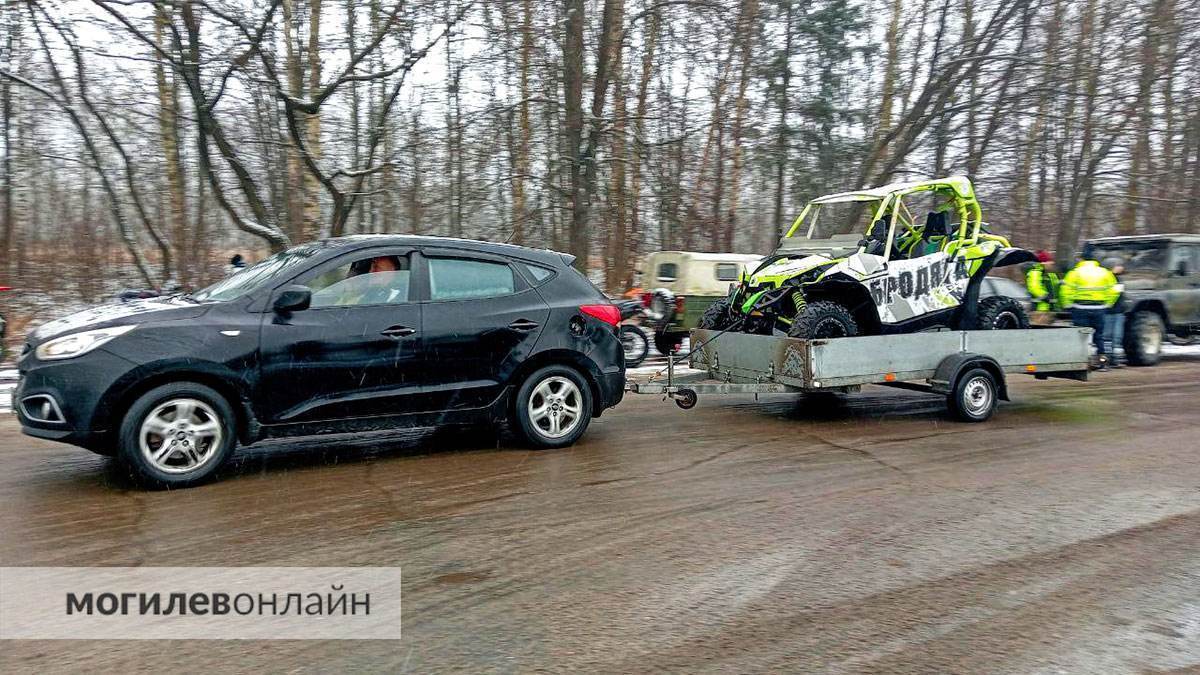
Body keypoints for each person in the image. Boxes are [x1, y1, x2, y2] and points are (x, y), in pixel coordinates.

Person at [1060, 257, 1120, 369]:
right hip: (1099, 308)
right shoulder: (1105, 272)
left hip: (1080, 308)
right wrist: (1108, 303)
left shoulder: (1074, 273)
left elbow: (1065, 291)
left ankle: (1081, 362)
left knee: (1081, 336)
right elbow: (1115, 290)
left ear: (1082, 261)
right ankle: (1103, 363)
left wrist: (1067, 305)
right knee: (1099, 336)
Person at [1103, 257, 1128, 366]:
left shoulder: (1115, 278)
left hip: (1113, 311)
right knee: (1112, 336)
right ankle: (1113, 359)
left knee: (1111, 336)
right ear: (1112, 267)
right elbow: (1117, 295)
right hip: (1113, 311)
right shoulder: (1113, 279)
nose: (1121, 267)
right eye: (1119, 265)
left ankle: (1111, 359)